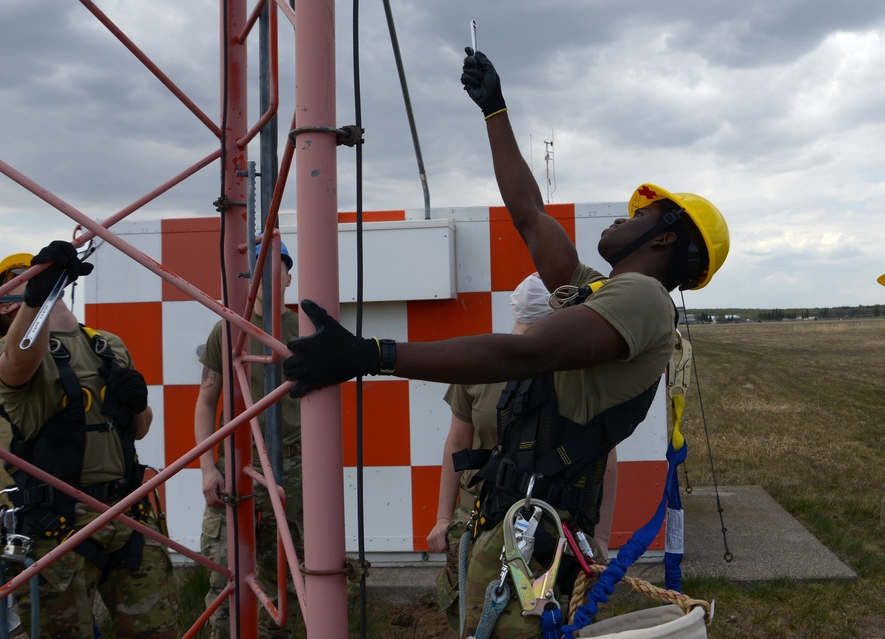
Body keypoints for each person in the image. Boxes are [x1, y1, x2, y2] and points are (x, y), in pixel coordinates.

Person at [282, 47, 729, 638]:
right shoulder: (598, 291)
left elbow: (527, 351)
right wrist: (495, 110)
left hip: (538, 535)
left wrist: (374, 356)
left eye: (638, 213)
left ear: (667, 234)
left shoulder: (644, 300)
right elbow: (527, 212)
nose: (621, 219)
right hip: (515, 520)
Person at [0, 240, 176, 638]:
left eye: (38, 276)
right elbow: (22, 357)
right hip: (59, 524)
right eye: (24, 279)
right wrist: (40, 296)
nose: (38, 280)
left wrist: (138, 405)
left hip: (126, 511)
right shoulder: (10, 353)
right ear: (5, 306)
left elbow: (140, 429)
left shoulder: (108, 345)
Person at [427, 273, 618, 634]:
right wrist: (442, 518)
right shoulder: (479, 365)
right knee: (475, 618)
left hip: (556, 527)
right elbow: (458, 444)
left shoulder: (582, 375)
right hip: (479, 519)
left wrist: (600, 539)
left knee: (555, 620)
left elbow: (604, 457)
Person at [195, 238, 303, 639]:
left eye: (280, 268)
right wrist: (208, 468)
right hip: (237, 466)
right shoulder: (228, 330)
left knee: (289, 579)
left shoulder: (305, 329)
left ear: (290, 278)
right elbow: (206, 403)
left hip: (294, 467)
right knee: (228, 575)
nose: (272, 278)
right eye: (261, 270)